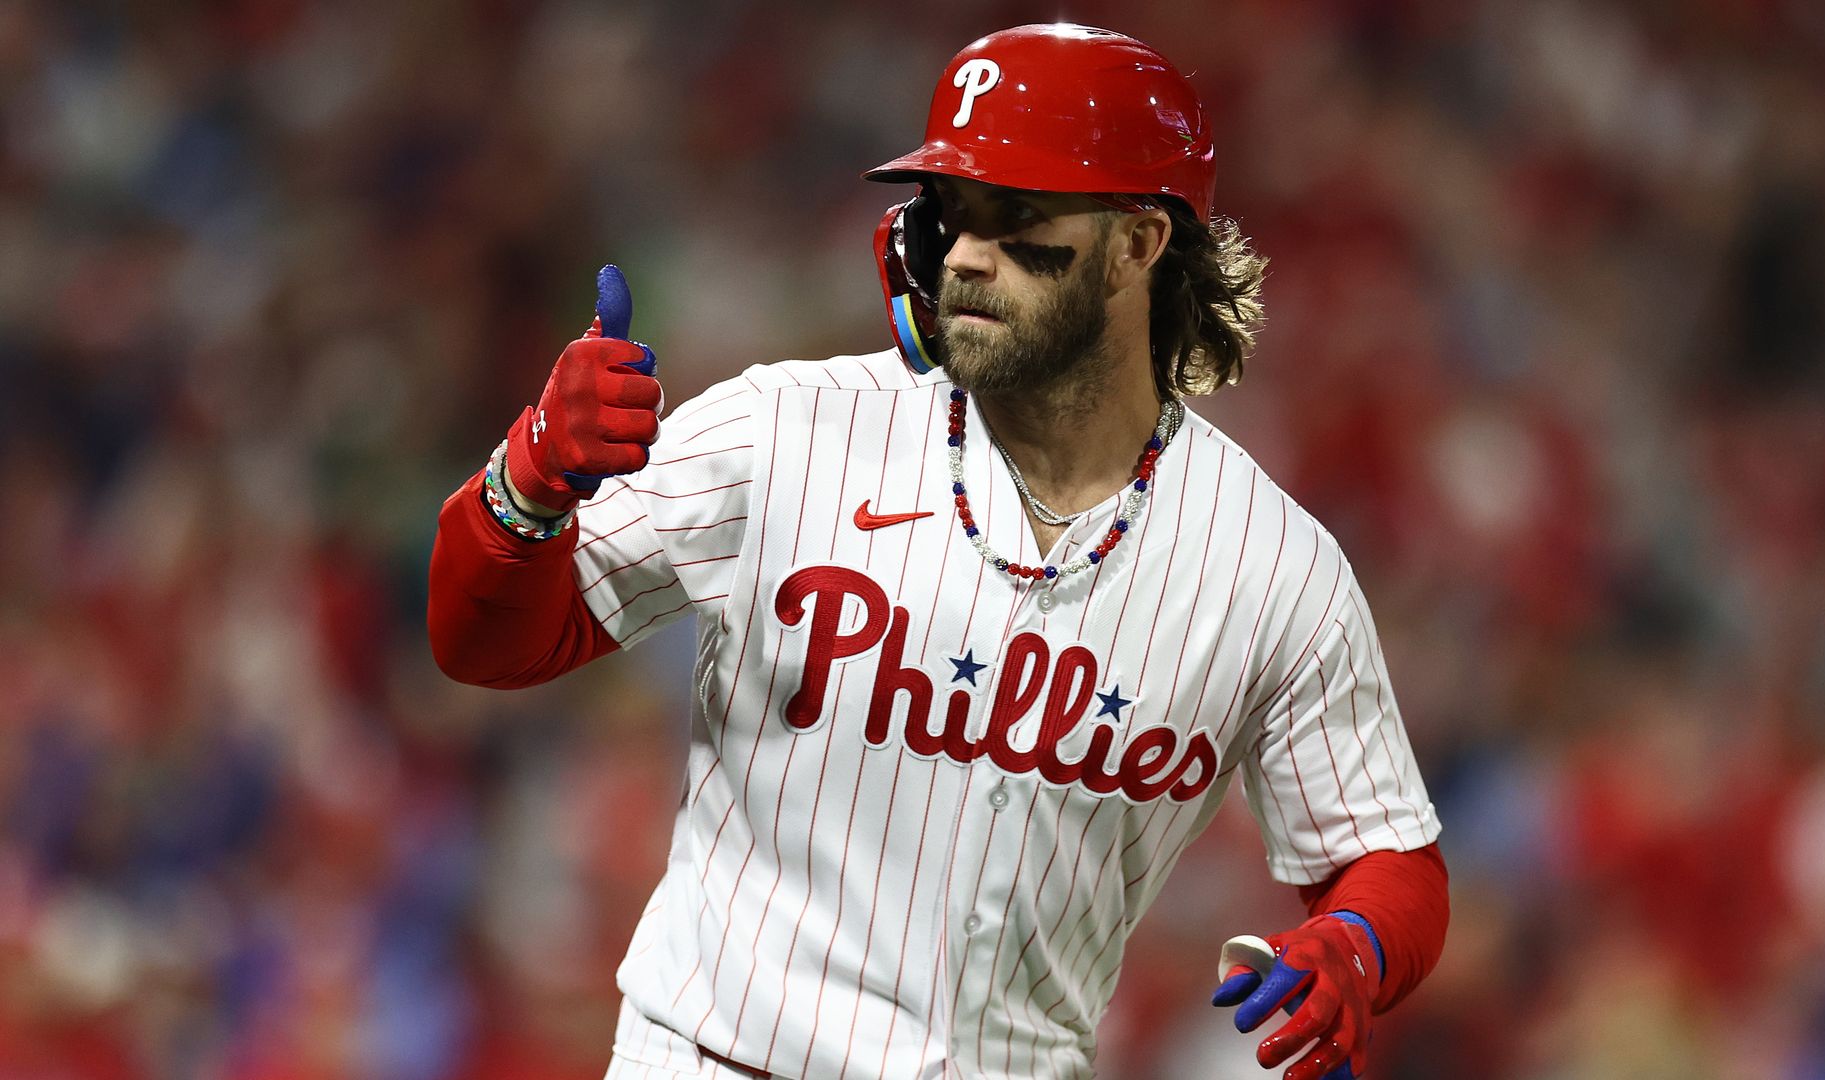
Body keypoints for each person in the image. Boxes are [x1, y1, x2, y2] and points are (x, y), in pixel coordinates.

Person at [429, 22, 1448, 1080]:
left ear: (1141, 244)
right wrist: (528, 484)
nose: (965, 254)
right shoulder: (781, 431)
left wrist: (1355, 945)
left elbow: (1387, 856)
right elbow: (484, 644)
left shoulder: (1272, 564)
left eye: (1018, 219)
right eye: (952, 214)